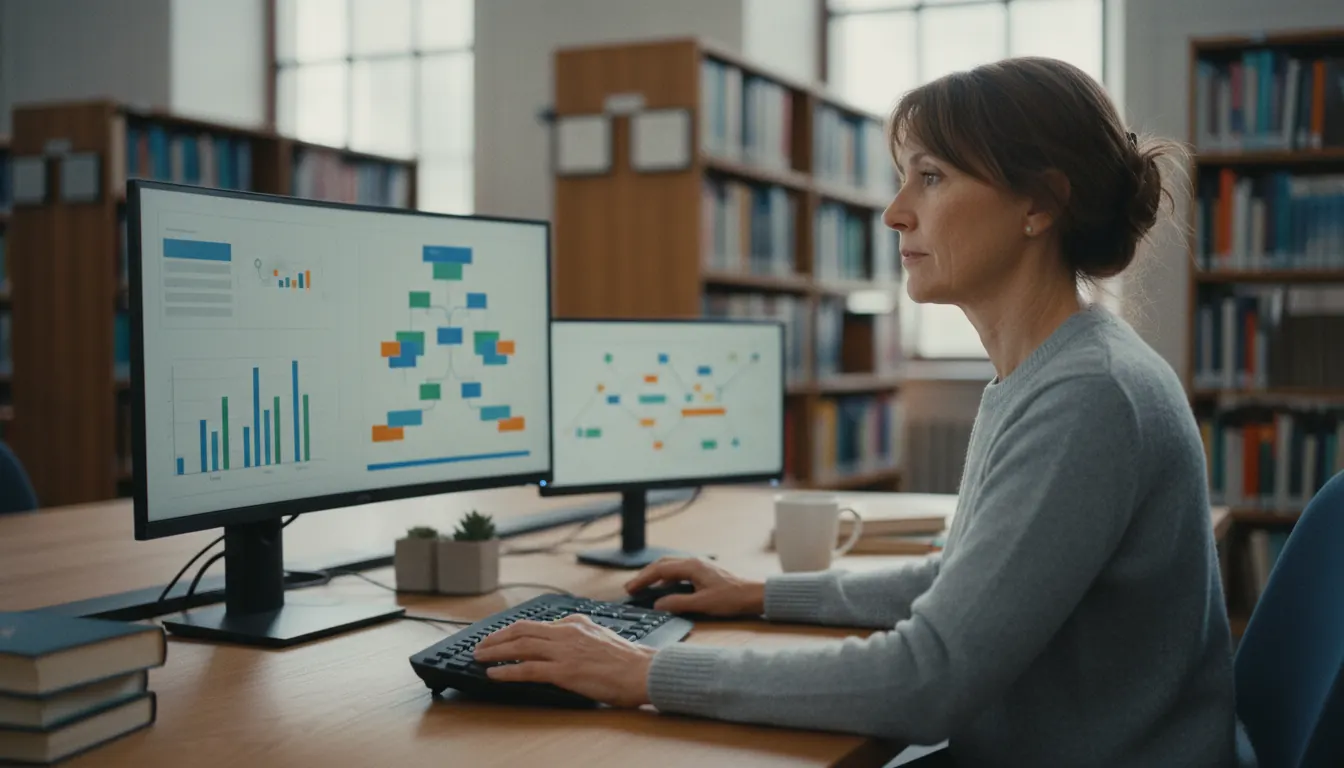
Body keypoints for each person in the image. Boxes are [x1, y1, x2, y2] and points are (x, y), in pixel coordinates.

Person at [475, 56, 1246, 767]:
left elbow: (927, 678)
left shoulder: (1088, 395)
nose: (894, 213)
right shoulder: (1051, 370)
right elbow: (966, 584)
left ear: (1039, 204)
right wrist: (759, 594)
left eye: (931, 177)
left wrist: (643, 669)